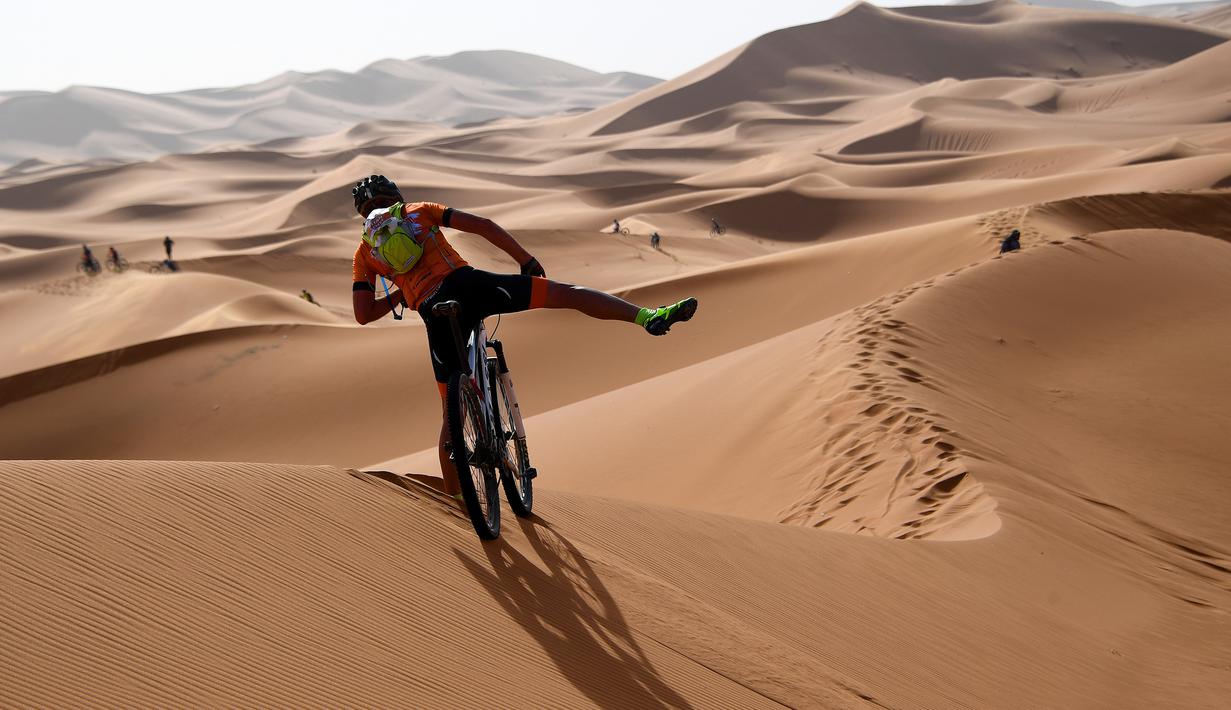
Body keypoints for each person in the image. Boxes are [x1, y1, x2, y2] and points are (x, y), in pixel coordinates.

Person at [350, 174, 698, 504]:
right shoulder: (418, 211)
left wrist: (405, 292)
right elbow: (483, 225)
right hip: (472, 286)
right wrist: (525, 259)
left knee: (451, 416)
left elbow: (363, 313)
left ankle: (458, 503)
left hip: (433, 312)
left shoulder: (365, 253)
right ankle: (646, 317)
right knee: (567, 294)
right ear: (395, 196)